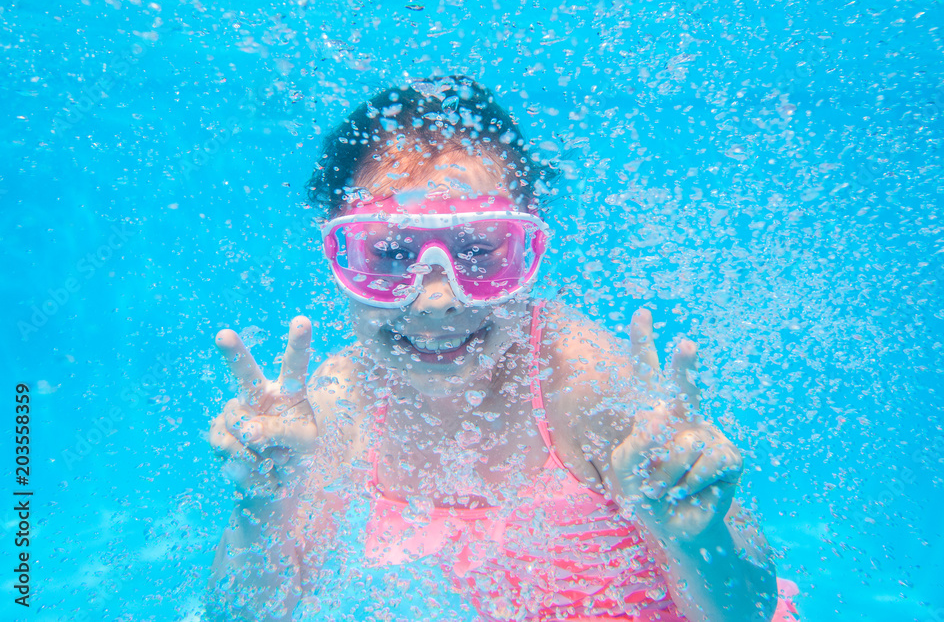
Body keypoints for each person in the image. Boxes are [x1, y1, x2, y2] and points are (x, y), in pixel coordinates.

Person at [206, 75, 800, 621]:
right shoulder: (339, 405)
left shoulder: (583, 383)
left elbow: (743, 610)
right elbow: (244, 615)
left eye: (477, 251)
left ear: (529, 251)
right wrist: (261, 506)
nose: (435, 298)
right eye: (389, 254)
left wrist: (698, 542)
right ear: (340, 259)